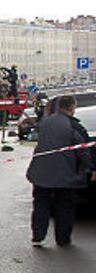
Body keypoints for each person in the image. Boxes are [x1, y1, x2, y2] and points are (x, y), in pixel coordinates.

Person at [26, 95, 94, 247]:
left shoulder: (46, 122)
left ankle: (38, 236)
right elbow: (82, 151)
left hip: (41, 172)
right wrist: (91, 167)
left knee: (41, 204)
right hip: (65, 173)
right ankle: (63, 239)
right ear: (72, 108)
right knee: (64, 206)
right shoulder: (74, 126)